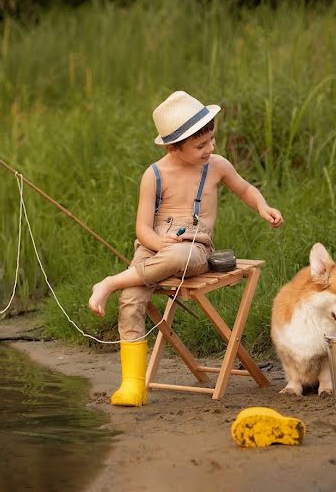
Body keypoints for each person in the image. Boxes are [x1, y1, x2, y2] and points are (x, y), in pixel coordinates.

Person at [88, 90, 284, 406]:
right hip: (151, 250)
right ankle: (133, 385)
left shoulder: (217, 166)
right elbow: (141, 228)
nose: (210, 149)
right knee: (130, 299)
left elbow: (245, 189)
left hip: (194, 250)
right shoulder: (153, 175)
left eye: (211, 141)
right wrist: (155, 243)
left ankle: (110, 282)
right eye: (200, 145)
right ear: (172, 147)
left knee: (177, 255)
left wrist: (263, 207)